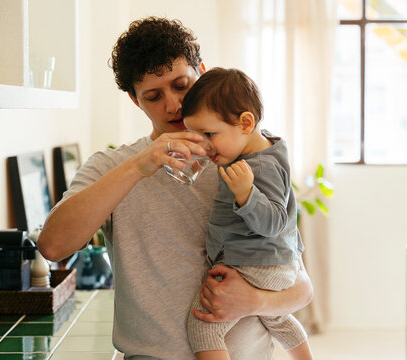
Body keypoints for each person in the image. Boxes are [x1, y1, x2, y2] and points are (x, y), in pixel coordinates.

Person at [38, 17, 313, 359]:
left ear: (202, 71)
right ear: (135, 101)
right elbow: (52, 245)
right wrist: (139, 166)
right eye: (153, 96)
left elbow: (300, 286)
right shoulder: (111, 167)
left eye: (182, 85)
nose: (173, 105)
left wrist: (257, 301)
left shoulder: (249, 159)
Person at [182, 68, 314, 360]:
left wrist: (246, 194)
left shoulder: (260, 167)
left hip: (256, 262)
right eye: (196, 135)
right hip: (271, 263)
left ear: (246, 122)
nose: (204, 146)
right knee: (276, 317)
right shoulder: (256, 149)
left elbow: (276, 222)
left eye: (209, 134)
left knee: (203, 326)